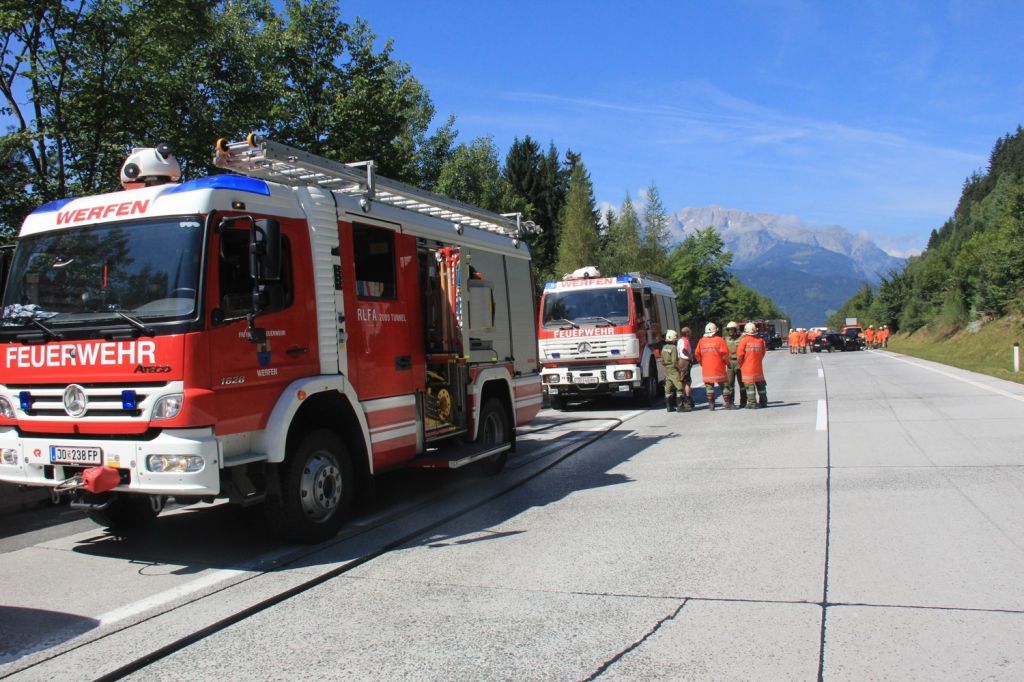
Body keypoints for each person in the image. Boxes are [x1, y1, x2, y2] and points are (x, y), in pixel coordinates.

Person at [694, 322, 729, 411]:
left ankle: (711, 405)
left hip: (707, 368)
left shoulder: (701, 341)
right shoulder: (720, 340)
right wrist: (726, 363)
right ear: (715, 331)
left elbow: (697, 354)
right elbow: (725, 354)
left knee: (709, 387)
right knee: (724, 386)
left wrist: (702, 363)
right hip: (719, 368)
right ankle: (727, 403)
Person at [737, 322, 768, 408]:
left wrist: (741, 364)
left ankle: (752, 403)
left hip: (747, 368)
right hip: (758, 368)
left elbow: (739, 355)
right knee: (761, 386)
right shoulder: (760, 340)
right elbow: (763, 353)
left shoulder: (744, 341)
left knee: (749, 386)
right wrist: (758, 360)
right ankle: (763, 402)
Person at [723, 321, 746, 409]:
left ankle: (743, 401)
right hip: (730, 362)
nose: (730, 331)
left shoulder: (742, 338)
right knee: (730, 383)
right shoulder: (725, 339)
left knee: (742, 383)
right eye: (729, 329)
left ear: (736, 330)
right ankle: (730, 402)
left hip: (739, 362)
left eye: (732, 329)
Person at [661, 330, 683, 412]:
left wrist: (667, 365)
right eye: (675, 339)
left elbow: (662, 361)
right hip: (673, 370)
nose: (676, 341)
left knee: (668, 388)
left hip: (667, 369)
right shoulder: (673, 347)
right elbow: (674, 361)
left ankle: (669, 407)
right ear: (673, 339)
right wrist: (680, 369)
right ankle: (680, 406)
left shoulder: (664, 347)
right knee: (679, 386)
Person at [676, 326, 695, 411]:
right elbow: (684, 350)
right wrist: (690, 356)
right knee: (687, 381)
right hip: (685, 361)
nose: (691, 333)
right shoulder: (686, 340)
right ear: (686, 333)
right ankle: (688, 400)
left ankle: (684, 400)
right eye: (689, 332)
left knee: (682, 380)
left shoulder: (680, 340)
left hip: (680, 360)